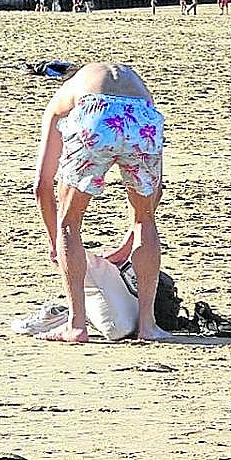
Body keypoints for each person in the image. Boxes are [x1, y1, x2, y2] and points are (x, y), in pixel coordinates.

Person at [33, 63, 167, 343]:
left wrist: (55, 243)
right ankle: (148, 325)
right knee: (145, 220)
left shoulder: (65, 94)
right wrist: (130, 241)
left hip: (96, 113)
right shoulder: (133, 81)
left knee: (70, 224)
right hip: (143, 113)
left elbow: (41, 185)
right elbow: (157, 190)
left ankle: (76, 325)